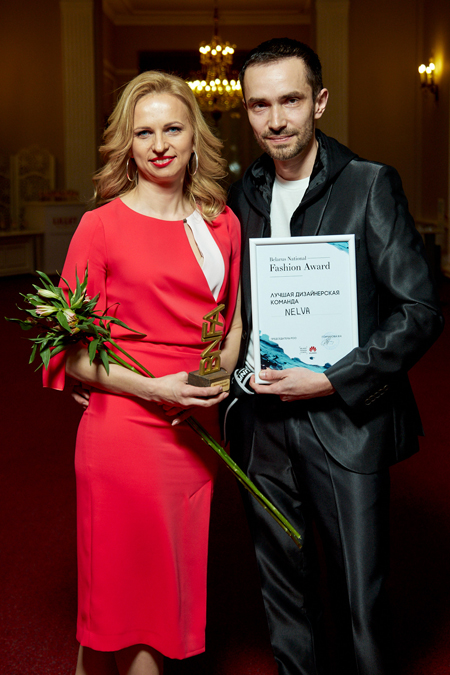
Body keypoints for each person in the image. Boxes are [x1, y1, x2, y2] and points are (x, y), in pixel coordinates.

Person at [224, 38, 444, 675]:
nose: (276, 120)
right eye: (259, 105)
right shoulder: (243, 193)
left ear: (319, 101)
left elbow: (420, 311)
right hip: (262, 421)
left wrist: (332, 380)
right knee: (282, 591)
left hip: (345, 421)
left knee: (359, 595)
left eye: (290, 100)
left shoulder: (369, 184)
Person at [44, 70, 241, 675]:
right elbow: (72, 353)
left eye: (172, 129)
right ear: (126, 144)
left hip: (192, 429)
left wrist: (208, 386)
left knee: (151, 597)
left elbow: (232, 323)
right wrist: (153, 388)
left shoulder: (222, 222)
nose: (159, 145)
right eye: (144, 132)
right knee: (121, 605)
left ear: (194, 136)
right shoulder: (101, 226)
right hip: (124, 432)